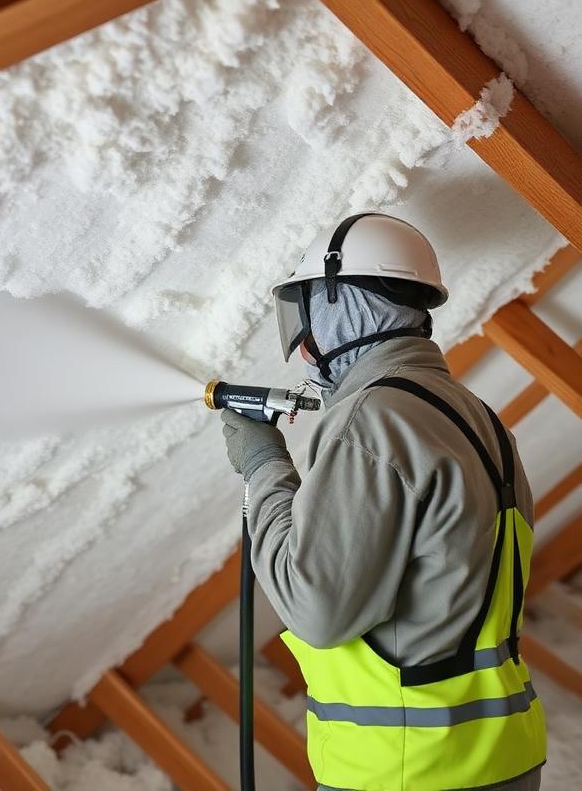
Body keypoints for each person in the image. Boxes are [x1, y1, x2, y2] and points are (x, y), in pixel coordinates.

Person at [220, 213, 546, 791]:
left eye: (307, 312)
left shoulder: (374, 419)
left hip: (410, 765)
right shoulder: (471, 412)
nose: (302, 347)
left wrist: (263, 466)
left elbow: (316, 608)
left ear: (342, 303)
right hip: (503, 753)